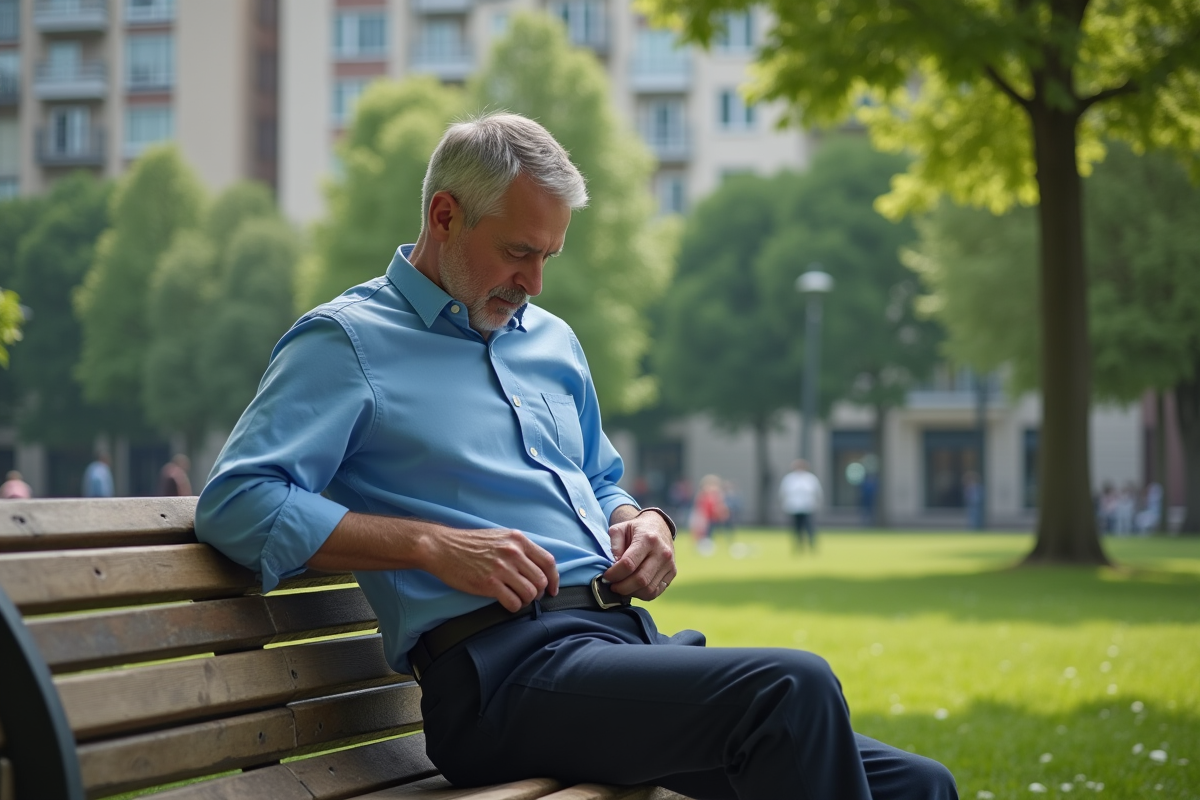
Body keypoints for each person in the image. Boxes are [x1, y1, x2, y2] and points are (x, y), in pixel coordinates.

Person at [196, 113, 956, 800]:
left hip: (616, 649)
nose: (532, 283)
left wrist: (642, 521)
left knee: (922, 786)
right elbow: (238, 501)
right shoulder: (346, 342)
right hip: (500, 678)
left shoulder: (552, 341)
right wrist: (430, 545)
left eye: (548, 257)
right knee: (790, 688)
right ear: (444, 215)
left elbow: (597, 478)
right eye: (518, 252)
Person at [779, 459, 823, 553]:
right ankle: (798, 546)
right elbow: (783, 492)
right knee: (796, 528)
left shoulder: (810, 478)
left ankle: (812, 545)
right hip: (794, 507)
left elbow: (817, 492)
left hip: (808, 507)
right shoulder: (789, 479)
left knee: (809, 528)